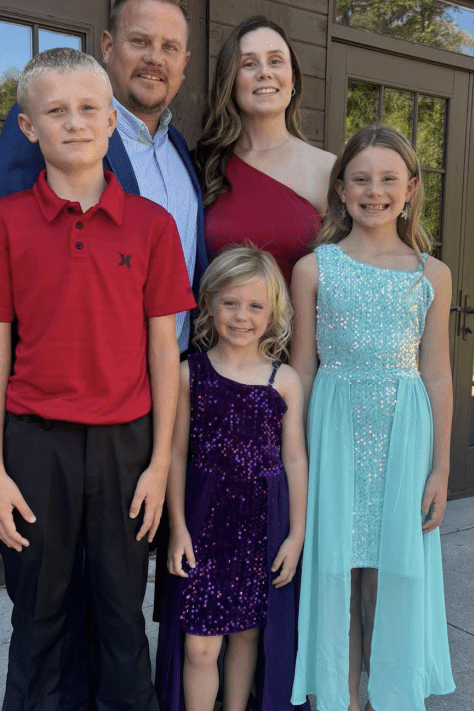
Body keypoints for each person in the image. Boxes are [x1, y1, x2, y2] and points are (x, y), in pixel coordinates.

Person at [0, 48, 195, 710]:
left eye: (88, 108)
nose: (74, 122)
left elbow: (164, 351)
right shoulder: (4, 222)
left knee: (121, 610)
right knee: (39, 611)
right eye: (56, 110)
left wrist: (160, 463)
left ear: (110, 121)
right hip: (35, 445)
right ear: (28, 127)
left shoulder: (152, 226)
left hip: (126, 447)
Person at [0, 0, 208, 428]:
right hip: (64, 405)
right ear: (108, 46)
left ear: (184, 63)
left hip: (169, 387)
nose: (155, 58)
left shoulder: (180, 154)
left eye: (170, 47)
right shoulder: (57, 130)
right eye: (140, 41)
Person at [289, 125, 456, 711]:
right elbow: (301, 370)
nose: (374, 191)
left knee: (390, 576)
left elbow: (437, 374)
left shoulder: (431, 274)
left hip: (403, 439)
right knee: (337, 575)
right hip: (333, 434)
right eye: (360, 179)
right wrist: (294, 453)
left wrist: (441, 469)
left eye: (388, 179)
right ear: (341, 189)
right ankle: (342, 700)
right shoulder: (314, 269)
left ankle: (390, 697)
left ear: (410, 189)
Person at [155, 246, 309, 711]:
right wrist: (177, 528)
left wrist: (296, 535)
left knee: (247, 635)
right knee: (200, 645)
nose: (242, 316)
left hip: (261, 525)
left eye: (256, 305)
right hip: (204, 524)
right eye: (231, 303)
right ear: (208, 304)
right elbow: (175, 454)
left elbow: (295, 459)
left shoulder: (284, 380)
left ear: (273, 313)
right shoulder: (189, 374)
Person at [196, 15, 334, 285]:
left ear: (292, 80)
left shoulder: (327, 169)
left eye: (275, 61)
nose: (264, 73)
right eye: (249, 64)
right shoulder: (202, 166)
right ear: (231, 82)